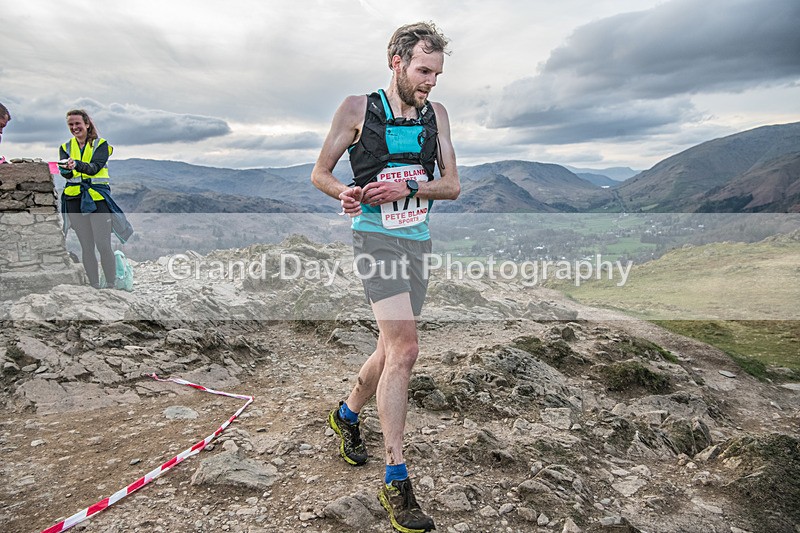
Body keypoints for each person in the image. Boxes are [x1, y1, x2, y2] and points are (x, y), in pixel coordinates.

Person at [311, 22, 459, 533]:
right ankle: (396, 478)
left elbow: (452, 185)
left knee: (391, 345)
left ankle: (347, 415)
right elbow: (322, 173)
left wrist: (409, 187)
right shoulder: (358, 109)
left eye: (437, 73)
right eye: (423, 71)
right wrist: (343, 194)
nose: (431, 83)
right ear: (396, 61)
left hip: (415, 239)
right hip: (374, 238)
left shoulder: (436, 115)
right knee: (406, 350)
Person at [58, 109, 133, 289]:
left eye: (77, 123)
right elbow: (67, 175)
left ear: (87, 124)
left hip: (96, 199)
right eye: (71, 124)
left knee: (102, 244)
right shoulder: (65, 147)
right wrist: (66, 169)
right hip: (74, 199)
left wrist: (75, 164)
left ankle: (110, 284)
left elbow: (94, 168)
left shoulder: (101, 145)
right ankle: (93, 285)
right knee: (86, 245)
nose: (74, 127)